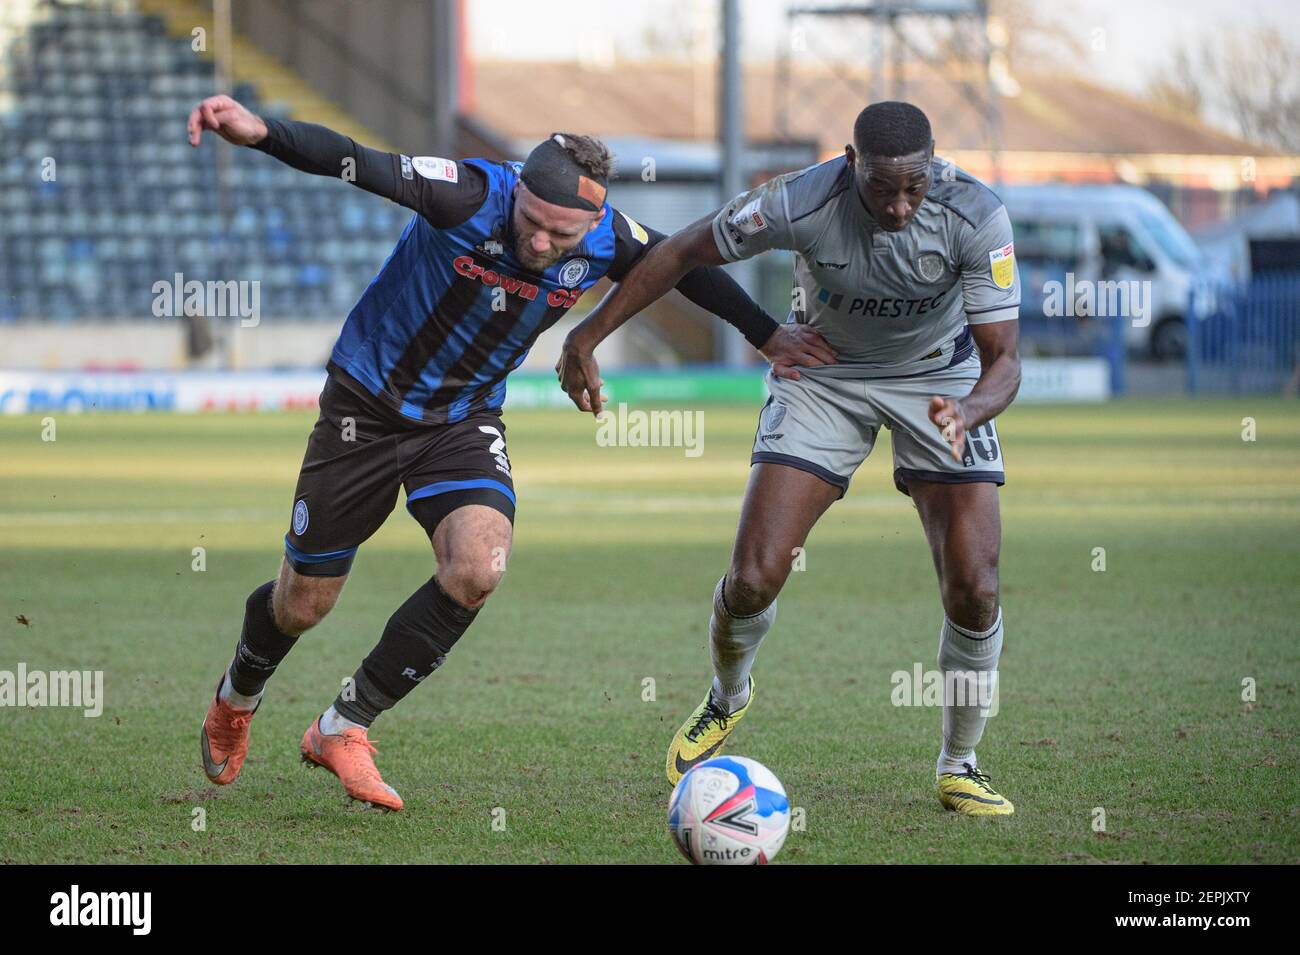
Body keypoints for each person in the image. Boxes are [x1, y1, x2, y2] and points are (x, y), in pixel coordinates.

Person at [187, 94, 834, 811]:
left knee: (478, 565)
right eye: (531, 224)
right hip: (364, 408)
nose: (540, 244)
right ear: (517, 189)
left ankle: (344, 725)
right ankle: (237, 695)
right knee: (304, 603)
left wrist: (766, 333)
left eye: (561, 236)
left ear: (590, 222)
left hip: (462, 419)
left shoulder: (607, 235)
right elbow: (355, 161)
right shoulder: (463, 193)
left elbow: (684, 263)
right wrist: (260, 132)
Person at [557, 101, 1022, 815]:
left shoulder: (976, 214)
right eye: (882, 188)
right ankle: (727, 694)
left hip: (941, 381)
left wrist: (968, 410)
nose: (899, 208)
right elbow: (681, 251)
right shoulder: (798, 199)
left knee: (975, 585)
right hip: (824, 376)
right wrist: (587, 335)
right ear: (849, 162)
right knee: (752, 576)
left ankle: (960, 760)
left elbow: (1004, 363)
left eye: (914, 188)